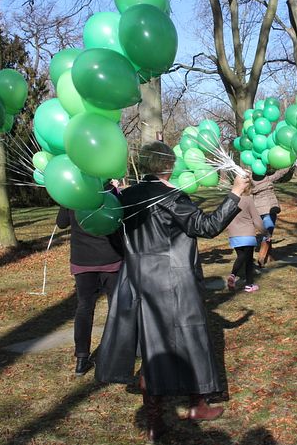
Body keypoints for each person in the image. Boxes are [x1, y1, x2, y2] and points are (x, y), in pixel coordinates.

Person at [94, 141, 250, 442]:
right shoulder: (172, 197)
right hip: (173, 281)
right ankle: (197, 404)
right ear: (168, 165)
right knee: (191, 337)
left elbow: (113, 237)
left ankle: (155, 421)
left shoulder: (125, 198)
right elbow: (207, 226)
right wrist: (236, 193)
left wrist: (134, 260)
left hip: (137, 281)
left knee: (153, 347)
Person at [56, 197, 123, 377]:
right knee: (115, 308)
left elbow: (61, 223)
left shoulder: (71, 196)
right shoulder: (109, 194)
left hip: (84, 260)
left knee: (85, 307)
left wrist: (65, 201)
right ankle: (114, 354)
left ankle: (81, 358)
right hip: (110, 257)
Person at [226, 186, 270, 293]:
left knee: (241, 256)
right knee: (249, 260)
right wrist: (266, 233)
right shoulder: (248, 200)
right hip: (247, 234)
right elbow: (256, 219)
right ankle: (249, 285)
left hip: (233, 233)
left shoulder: (229, 199)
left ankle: (233, 275)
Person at [251, 164, 295, 267]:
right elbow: (280, 173)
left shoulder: (251, 181)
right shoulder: (267, 179)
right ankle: (261, 257)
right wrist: (290, 164)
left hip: (257, 211)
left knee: (268, 233)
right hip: (269, 210)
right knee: (268, 234)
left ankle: (269, 256)